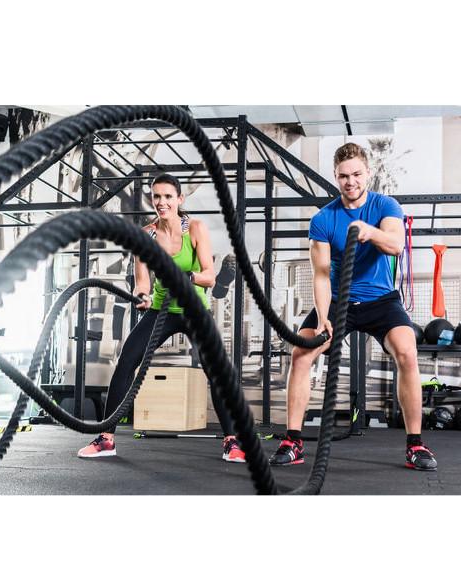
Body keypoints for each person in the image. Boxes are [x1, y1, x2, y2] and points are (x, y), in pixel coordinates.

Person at [269, 142, 437, 471]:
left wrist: (369, 232)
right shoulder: (323, 219)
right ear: (336, 177)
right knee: (301, 354)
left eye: (357, 174)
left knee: (407, 351)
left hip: (380, 299)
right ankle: (293, 441)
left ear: (367, 173)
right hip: (337, 300)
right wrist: (322, 318)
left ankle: (415, 445)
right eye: (344, 176)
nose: (351, 182)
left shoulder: (385, 205)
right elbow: (320, 275)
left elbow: (395, 245)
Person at [78, 173, 245, 462]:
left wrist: (186, 276)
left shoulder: (195, 228)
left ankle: (231, 441)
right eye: (157, 196)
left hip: (194, 310)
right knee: (126, 362)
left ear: (179, 199)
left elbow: (209, 276)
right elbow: (142, 281)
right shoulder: (145, 236)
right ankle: (106, 438)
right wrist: (142, 295)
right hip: (160, 310)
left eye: (168, 196)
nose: (162, 202)